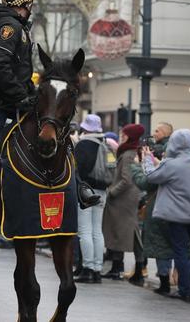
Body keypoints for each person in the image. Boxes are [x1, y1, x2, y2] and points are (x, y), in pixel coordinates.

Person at [0, 0, 99, 219]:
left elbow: (18, 71)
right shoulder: (8, 28)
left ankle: (79, 184)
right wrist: (20, 95)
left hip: (18, 99)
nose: (31, 7)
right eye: (30, 3)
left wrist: (32, 93)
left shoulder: (19, 27)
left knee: (56, 133)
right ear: (22, 4)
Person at [145, 129, 190, 302]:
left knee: (180, 251)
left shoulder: (171, 164)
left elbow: (151, 177)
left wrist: (148, 161)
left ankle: (184, 290)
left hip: (176, 216)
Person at [102, 123, 145, 280]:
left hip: (123, 199)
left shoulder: (127, 154)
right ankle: (137, 268)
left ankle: (117, 267)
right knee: (131, 233)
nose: (122, 136)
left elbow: (126, 180)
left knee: (119, 232)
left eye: (124, 134)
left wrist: (112, 192)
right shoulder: (134, 151)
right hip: (129, 198)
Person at [74, 114, 111, 283]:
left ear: (85, 127)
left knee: (85, 231)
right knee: (97, 231)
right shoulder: (106, 144)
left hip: (86, 192)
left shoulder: (83, 144)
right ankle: (97, 269)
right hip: (102, 191)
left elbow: (79, 170)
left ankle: (87, 268)